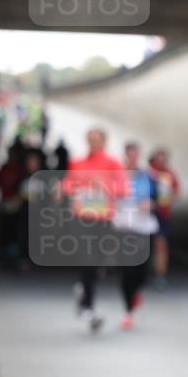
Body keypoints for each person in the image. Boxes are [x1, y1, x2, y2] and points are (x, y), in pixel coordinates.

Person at [60, 127, 131, 333]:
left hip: (103, 218)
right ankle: (88, 308)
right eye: (89, 139)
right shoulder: (78, 162)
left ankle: (83, 290)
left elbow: (124, 189)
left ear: (104, 141)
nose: (92, 143)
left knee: (99, 263)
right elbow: (69, 183)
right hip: (82, 217)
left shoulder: (113, 163)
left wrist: (105, 187)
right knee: (87, 258)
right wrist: (62, 189)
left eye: (96, 140)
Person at [114, 141, 159, 329]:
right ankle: (128, 311)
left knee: (142, 268)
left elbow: (159, 199)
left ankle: (137, 289)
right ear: (125, 155)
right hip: (123, 225)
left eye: (135, 154)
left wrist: (150, 203)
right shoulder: (116, 175)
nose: (132, 158)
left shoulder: (149, 176)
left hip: (143, 226)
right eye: (129, 154)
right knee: (127, 268)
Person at [148, 147, 180, 288]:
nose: (161, 162)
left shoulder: (170, 174)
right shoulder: (147, 173)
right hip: (146, 213)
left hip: (162, 214)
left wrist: (169, 198)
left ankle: (160, 273)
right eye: (158, 158)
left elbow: (176, 192)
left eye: (164, 159)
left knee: (161, 244)